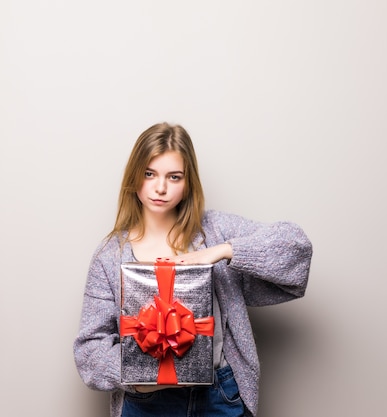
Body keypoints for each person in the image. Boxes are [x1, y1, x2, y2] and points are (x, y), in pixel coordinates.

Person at [73, 122, 312, 417]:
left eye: (174, 177)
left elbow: (295, 247)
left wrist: (222, 251)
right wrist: (140, 378)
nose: (160, 187)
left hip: (218, 395)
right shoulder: (109, 256)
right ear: (134, 177)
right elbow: (89, 350)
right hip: (146, 403)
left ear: (188, 184)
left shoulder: (214, 231)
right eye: (150, 174)